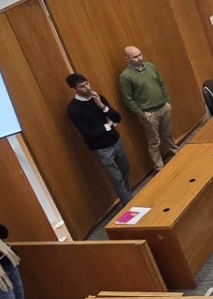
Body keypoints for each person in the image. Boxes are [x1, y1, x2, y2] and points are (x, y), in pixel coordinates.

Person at [65, 73, 133, 205]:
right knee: (117, 178)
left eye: (87, 83)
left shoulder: (97, 97)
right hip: (102, 148)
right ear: (74, 89)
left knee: (125, 169)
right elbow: (88, 134)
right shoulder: (74, 109)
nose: (87, 88)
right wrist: (108, 126)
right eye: (82, 86)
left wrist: (102, 105)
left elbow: (117, 118)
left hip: (116, 140)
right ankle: (129, 204)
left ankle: (129, 195)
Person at [117, 45, 179, 170]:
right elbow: (128, 100)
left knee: (168, 134)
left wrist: (167, 102)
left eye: (140, 54)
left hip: (163, 107)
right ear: (127, 59)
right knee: (154, 142)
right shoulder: (125, 77)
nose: (140, 58)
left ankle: (176, 153)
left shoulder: (151, 66)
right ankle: (159, 166)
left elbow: (161, 84)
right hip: (149, 113)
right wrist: (142, 114)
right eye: (135, 57)